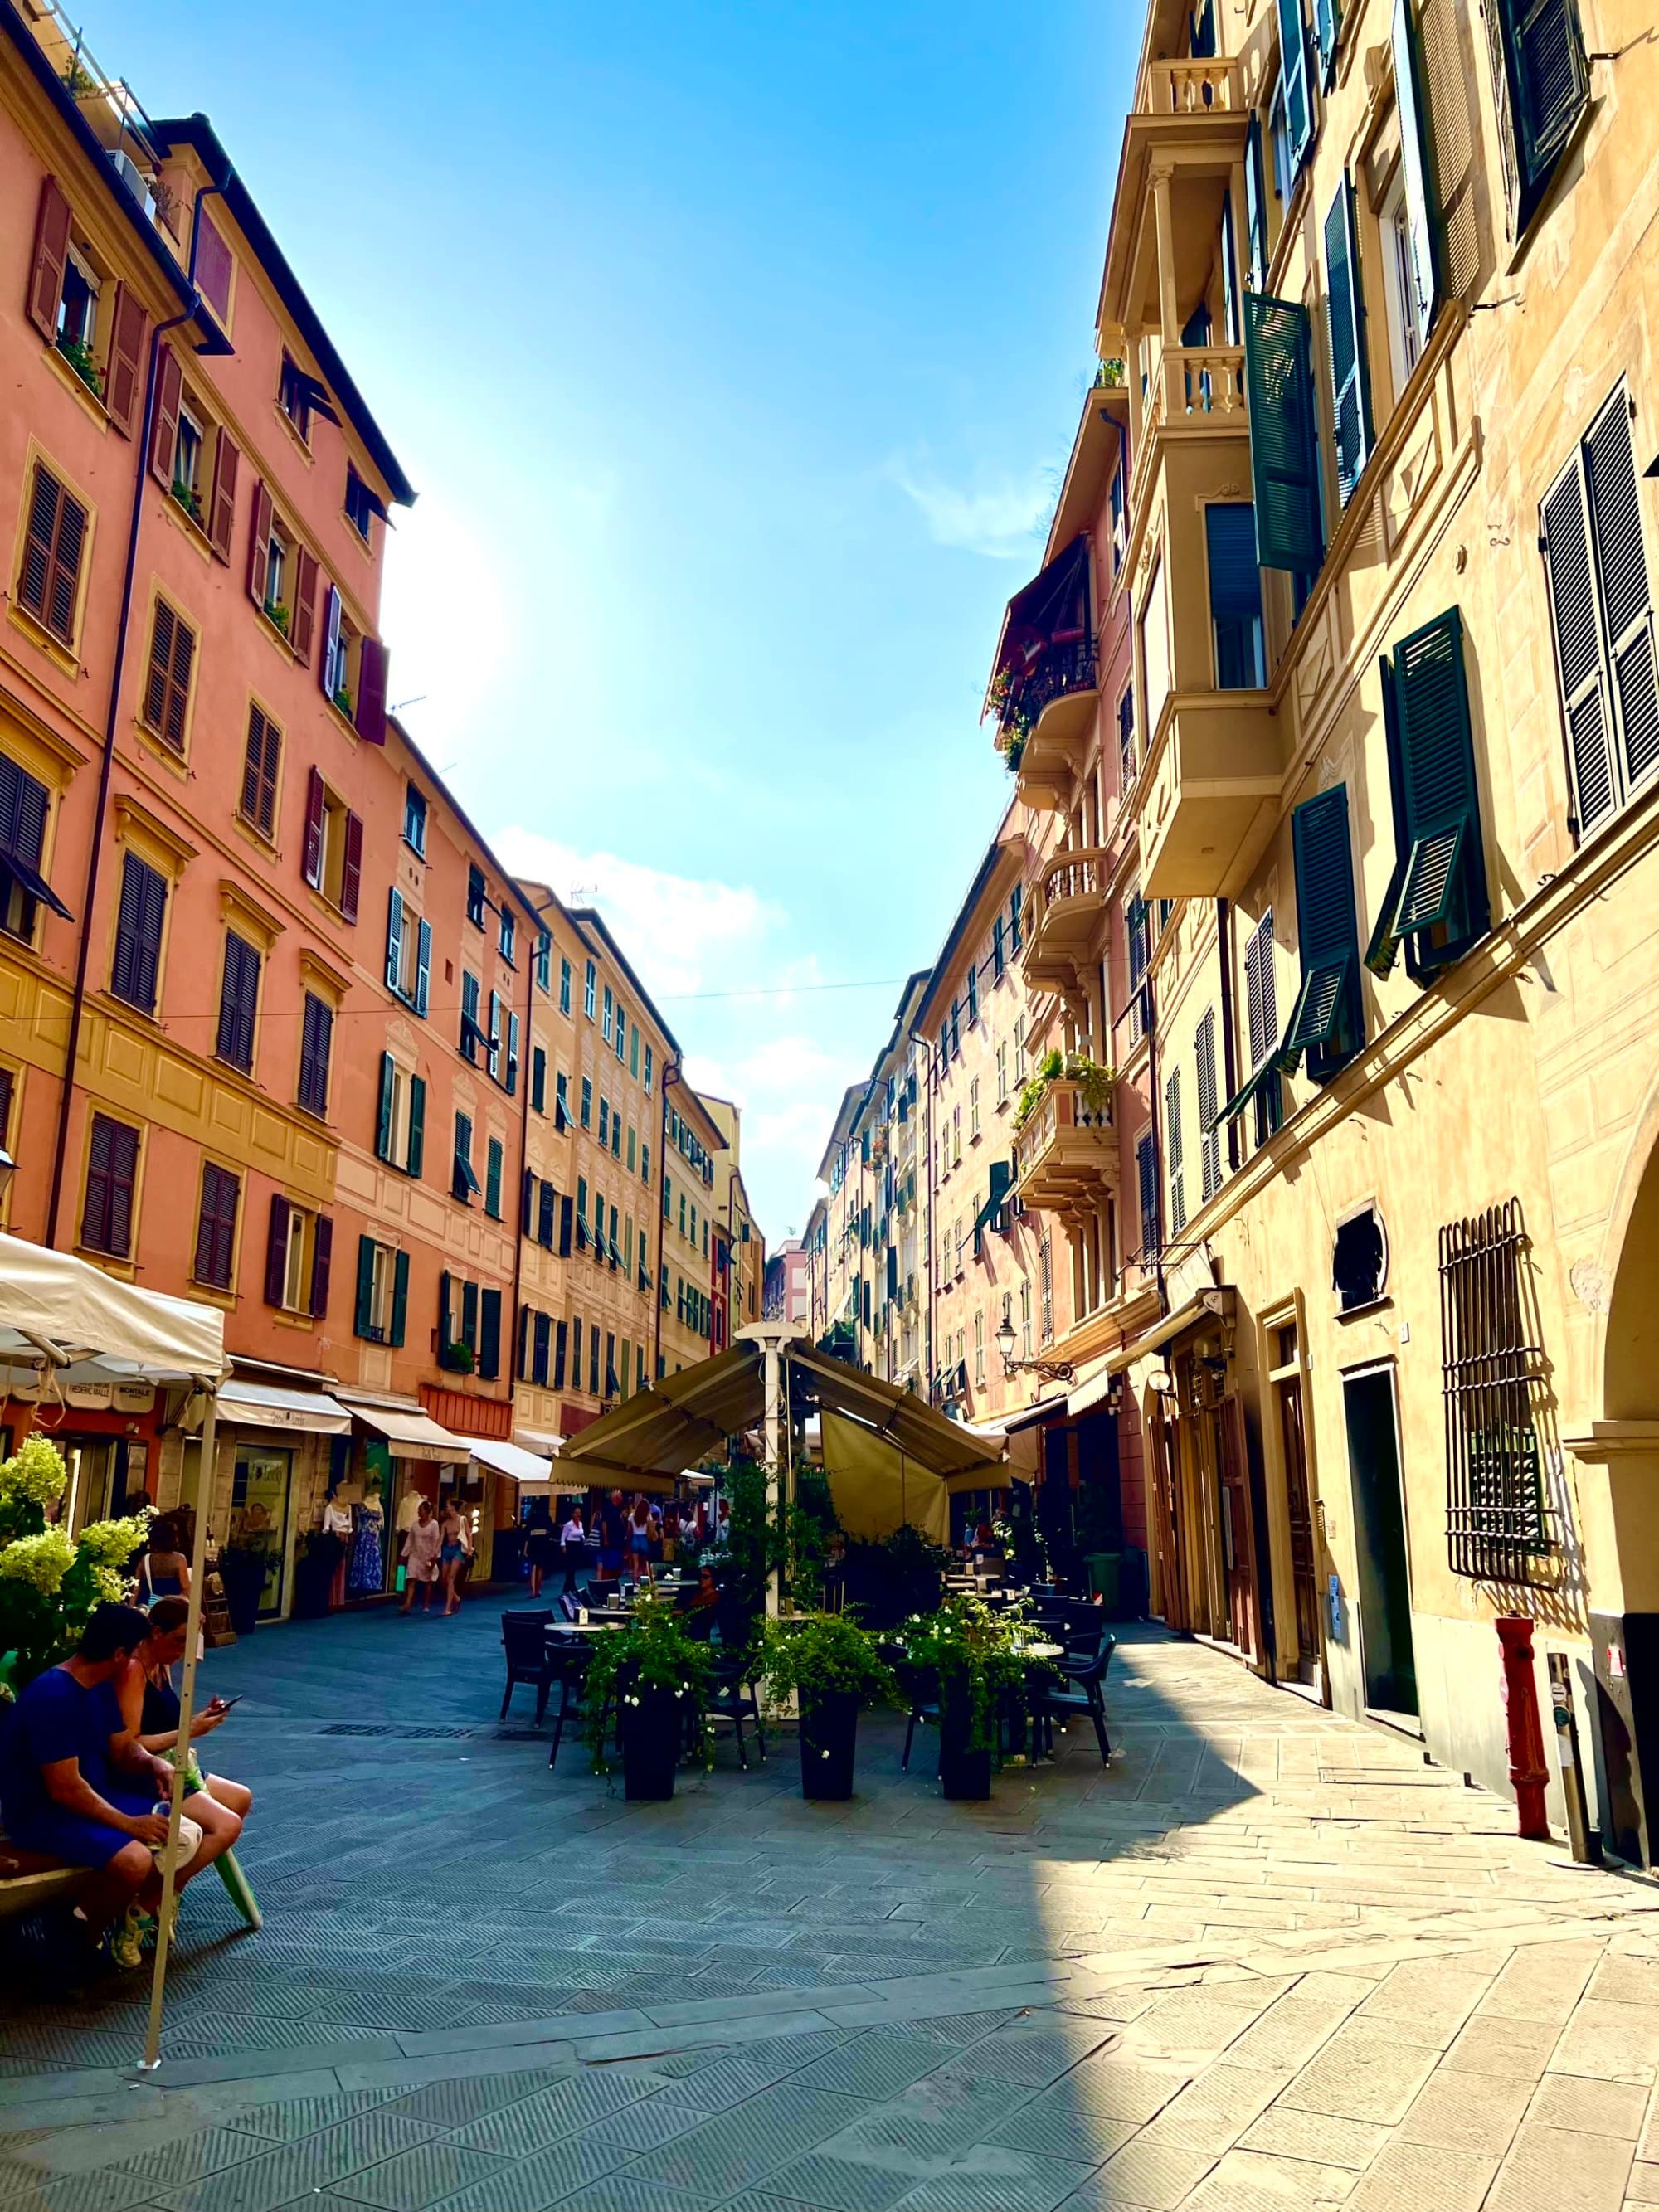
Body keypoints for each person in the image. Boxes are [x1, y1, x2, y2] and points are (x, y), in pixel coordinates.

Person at [0, 1603, 205, 1967]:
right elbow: (65, 1788)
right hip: (43, 1811)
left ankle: (86, 1919)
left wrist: (152, 1762)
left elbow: (123, 1747)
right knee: (135, 1859)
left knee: (184, 1831)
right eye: (138, 1651)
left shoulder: (97, 1687)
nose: (141, 1660)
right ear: (119, 1654)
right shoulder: (53, 1696)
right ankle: (78, 1934)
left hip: (88, 1796)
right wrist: (128, 1824)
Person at [116, 1597, 251, 1855]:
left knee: (240, 1797)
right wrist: (189, 1731)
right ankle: (159, 1892)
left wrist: (203, 1719)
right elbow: (130, 1744)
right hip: (147, 1772)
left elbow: (165, 1720)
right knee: (227, 1825)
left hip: (174, 1761)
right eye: (179, 1640)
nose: (183, 1650)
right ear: (156, 1633)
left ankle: (179, 1871)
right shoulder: (134, 1670)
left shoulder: (162, 1664)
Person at [400, 1498, 442, 1613]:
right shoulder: (414, 1525)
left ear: (428, 1512)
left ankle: (426, 1604)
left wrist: (435, 1557)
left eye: (421, 1510)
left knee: (428, 1581)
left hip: (428, 1556)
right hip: (415, 1555)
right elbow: (409, 1541)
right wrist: (403, 1555)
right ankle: (407, 1604)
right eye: (418, 1510)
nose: (419, 1513)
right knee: (411, 1579)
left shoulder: (434, 1525)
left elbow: (436, 1541)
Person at [137, 1517, 190, 1603]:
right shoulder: (179, 1559)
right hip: (170, 1606)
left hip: (147, 1605)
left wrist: (131, 1607)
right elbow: (185, 1588)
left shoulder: (145, 1559)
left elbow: (136, 1588)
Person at [438, 1498, 472, 1616]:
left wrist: (469, 1549)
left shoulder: (462, 1520)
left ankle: (447, 1608)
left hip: (458, 1549)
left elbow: (468, 1533)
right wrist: (436, 1551)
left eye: (447, 1506)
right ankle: (456, 1597)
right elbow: (441, 1539)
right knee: (443, 1579)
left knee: (450, 1578)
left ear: (452, 1507)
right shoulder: (445, 1523)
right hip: (447, 1549)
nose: (446, 1508)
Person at [523, 1497, 554, 1600]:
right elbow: (551, 1531)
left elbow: (527, 1533)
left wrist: (525, 1548)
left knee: (533, 1566)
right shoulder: (547, 1517)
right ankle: (538, 1589)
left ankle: (532, 1591)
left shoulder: (531, 1517)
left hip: (533, 1542)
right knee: (541, 1566)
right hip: (543, 1543)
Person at [597, 1490, 626, 1586]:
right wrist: (605, 1538)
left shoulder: (617, 1509)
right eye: (620, 1496)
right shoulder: (608, 1508)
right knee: (610, 1566)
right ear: (616, 1498)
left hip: (618, 1542)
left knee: (618, 1566)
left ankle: (612, 1582)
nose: (622, 1498)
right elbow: (604, 1524)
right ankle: (607, 1584)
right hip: (611, 1542)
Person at [560, 1503, 586, 1597]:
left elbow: (581, 1534)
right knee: (570, 1567)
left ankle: (568, 1587)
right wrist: (563, 1547)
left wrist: (584, 1539)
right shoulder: (568, 1525)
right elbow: (563, 1537)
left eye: (579, 1513)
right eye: (576, 1513)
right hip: (570, 1546)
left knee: (574, 1567)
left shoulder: (581, 1524)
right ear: (572, 1514)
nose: (578, 1515)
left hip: (578, 1546)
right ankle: (571, 1587)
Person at [627, 1496, 654, 1587]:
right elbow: (651, 1528)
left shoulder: (632, 1515)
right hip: (644, 1539)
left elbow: (629, 1529)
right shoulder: (648, 1516)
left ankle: (635, 1582)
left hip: (635, 1539)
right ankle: (646, 1582)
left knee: (636, 1563)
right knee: (644, 1563)